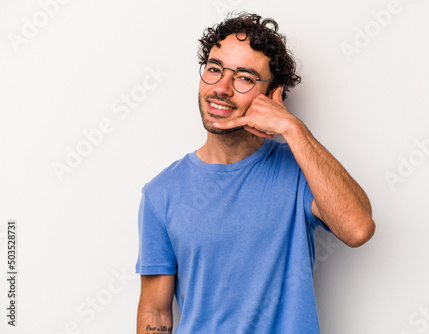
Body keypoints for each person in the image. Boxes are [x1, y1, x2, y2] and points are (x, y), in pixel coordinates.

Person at [135, 12, 375, 334]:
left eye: (245, 77)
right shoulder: (161, 194)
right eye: (215, 69)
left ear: (272, 96)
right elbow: (155, 310)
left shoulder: (301, 171)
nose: (221, 88)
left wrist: (292, 128)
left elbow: (358, 229)